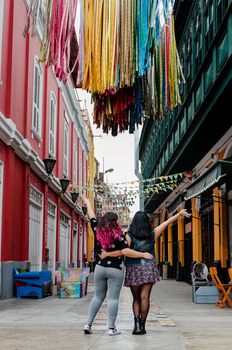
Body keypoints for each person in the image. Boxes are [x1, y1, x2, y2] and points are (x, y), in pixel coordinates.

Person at [82, 195, 153, 336]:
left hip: (100, 268)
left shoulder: (97, 230)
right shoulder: (119, 235)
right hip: (115, 270)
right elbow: (125, 251)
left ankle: (88, 324)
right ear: (115, 222)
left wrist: (86, 201)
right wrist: (143, 255)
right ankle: (111, 328)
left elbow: (91, 214)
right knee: (113, 298)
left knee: (97, 297)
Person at [123, 209, 191, 335]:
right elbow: (166, 223)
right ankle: (142, 326)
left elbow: (125, 251)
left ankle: (136, 326)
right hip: (148, 267)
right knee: (145, 298)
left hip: (133, 268)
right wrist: (178, 214)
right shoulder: (152, 233)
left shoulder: (128, 235)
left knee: (136, 298)